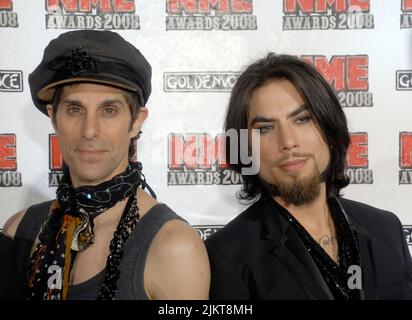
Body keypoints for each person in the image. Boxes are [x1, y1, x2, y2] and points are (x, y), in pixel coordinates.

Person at [1, 30, 210, 300]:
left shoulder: (173, 248)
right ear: (54, 118)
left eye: (108, 110)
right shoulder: (19, 231)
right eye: (75, 109)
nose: (89, 131)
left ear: (136, 122)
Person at [205, 53, 412, 300]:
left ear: (329, 126)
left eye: (302, 119)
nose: (288, 142)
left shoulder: (386, 229)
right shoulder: (227, 257)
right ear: (245, 148)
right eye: (265, 129)